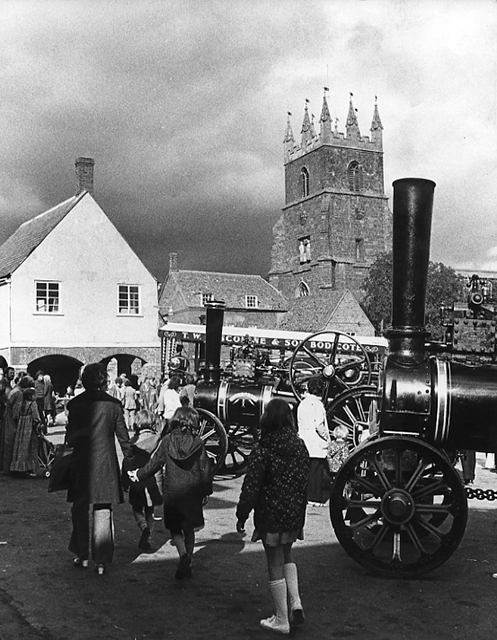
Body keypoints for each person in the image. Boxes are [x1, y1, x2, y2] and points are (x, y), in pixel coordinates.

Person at [236, 399, 310, 634]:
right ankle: (295, 602)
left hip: (271, 513)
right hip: (293, 513)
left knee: (274, 563)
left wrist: (242, 514)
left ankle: (281, 619)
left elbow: (251, 487)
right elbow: (304, 481)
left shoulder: (263, 448)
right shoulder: (300, 446)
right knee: (288, 555)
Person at [128, 406, 214, 580]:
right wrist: (206, 491)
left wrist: (138, 474)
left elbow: (154, 464)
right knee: (189, 529)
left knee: (175, 528)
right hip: (193, 491)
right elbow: (205, 469)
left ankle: (182, 555)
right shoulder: (198, 443)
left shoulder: (167, 441)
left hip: (173, 492)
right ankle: (188, 561)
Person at [65, 362, 132, 575]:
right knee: (103, 510)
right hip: (105, 463)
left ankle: (82, 554)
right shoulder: (114, 405)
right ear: (104, 380)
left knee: (79, 509)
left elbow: (70, 438)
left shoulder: (75, 404)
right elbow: (123, 437)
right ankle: (101, 561)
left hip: (81, 463)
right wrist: (130, 459)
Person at [121, 410, 162, 552]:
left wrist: (124, 481)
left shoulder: (132, 442)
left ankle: (143, 526)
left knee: (137, 508)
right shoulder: (158, 440)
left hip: (136, 481)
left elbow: (126, 462)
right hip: (154, 482)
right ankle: (148, 536)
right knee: (150, 510)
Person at [297, 377, 331, 506]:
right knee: (316, 472)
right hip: (316, 442)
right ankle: (314, 498)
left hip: (304, 440)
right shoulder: (317, 404)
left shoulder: (303, 403)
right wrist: (328, 438)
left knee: (307, 470)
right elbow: (319, 426)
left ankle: (304, 496)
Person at [10, 380, 41, 476]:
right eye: (34, 395)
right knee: (32, 447)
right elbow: (36, 417)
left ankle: (19, 467)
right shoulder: (33, 404)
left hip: (21, 426)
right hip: (30, 427)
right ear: (31, 396)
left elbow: (15, 415)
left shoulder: (21, 403)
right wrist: (39, 423)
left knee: (21, 447)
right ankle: (32, 468)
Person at [0, 376, 26, 473]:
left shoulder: (14, 390)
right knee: (12, 442)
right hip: (12, 420)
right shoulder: (19, 393)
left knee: (6, 442)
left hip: (7, 417)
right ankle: (9, 468)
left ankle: (4, 467)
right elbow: (16, 409)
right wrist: (18, 419)